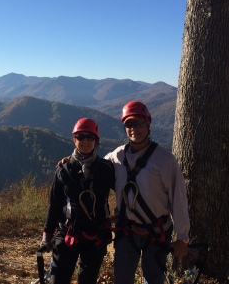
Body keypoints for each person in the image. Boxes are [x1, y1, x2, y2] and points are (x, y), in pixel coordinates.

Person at [106, 100, 190, 284]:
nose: (134, 128)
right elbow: (96, 168)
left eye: (139, 123)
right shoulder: (117, 156)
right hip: (126, 231)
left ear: (148, 123)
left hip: (157, 231)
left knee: (153, 279)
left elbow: (178, 198)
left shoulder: (165, 160)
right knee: (122, 279)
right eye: (129, 124)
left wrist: (182, 237)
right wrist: (72, 160)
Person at [39, 117, 115, 284]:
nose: (85, 141)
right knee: (58, 280)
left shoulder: (106, 168)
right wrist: (47, 235)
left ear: (96, 140)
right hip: (68, 232)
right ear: (74, 139)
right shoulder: (64, 170)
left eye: (90, 137)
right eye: (80, 136)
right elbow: (54, 204)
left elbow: (126, 191)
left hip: (97, 234)